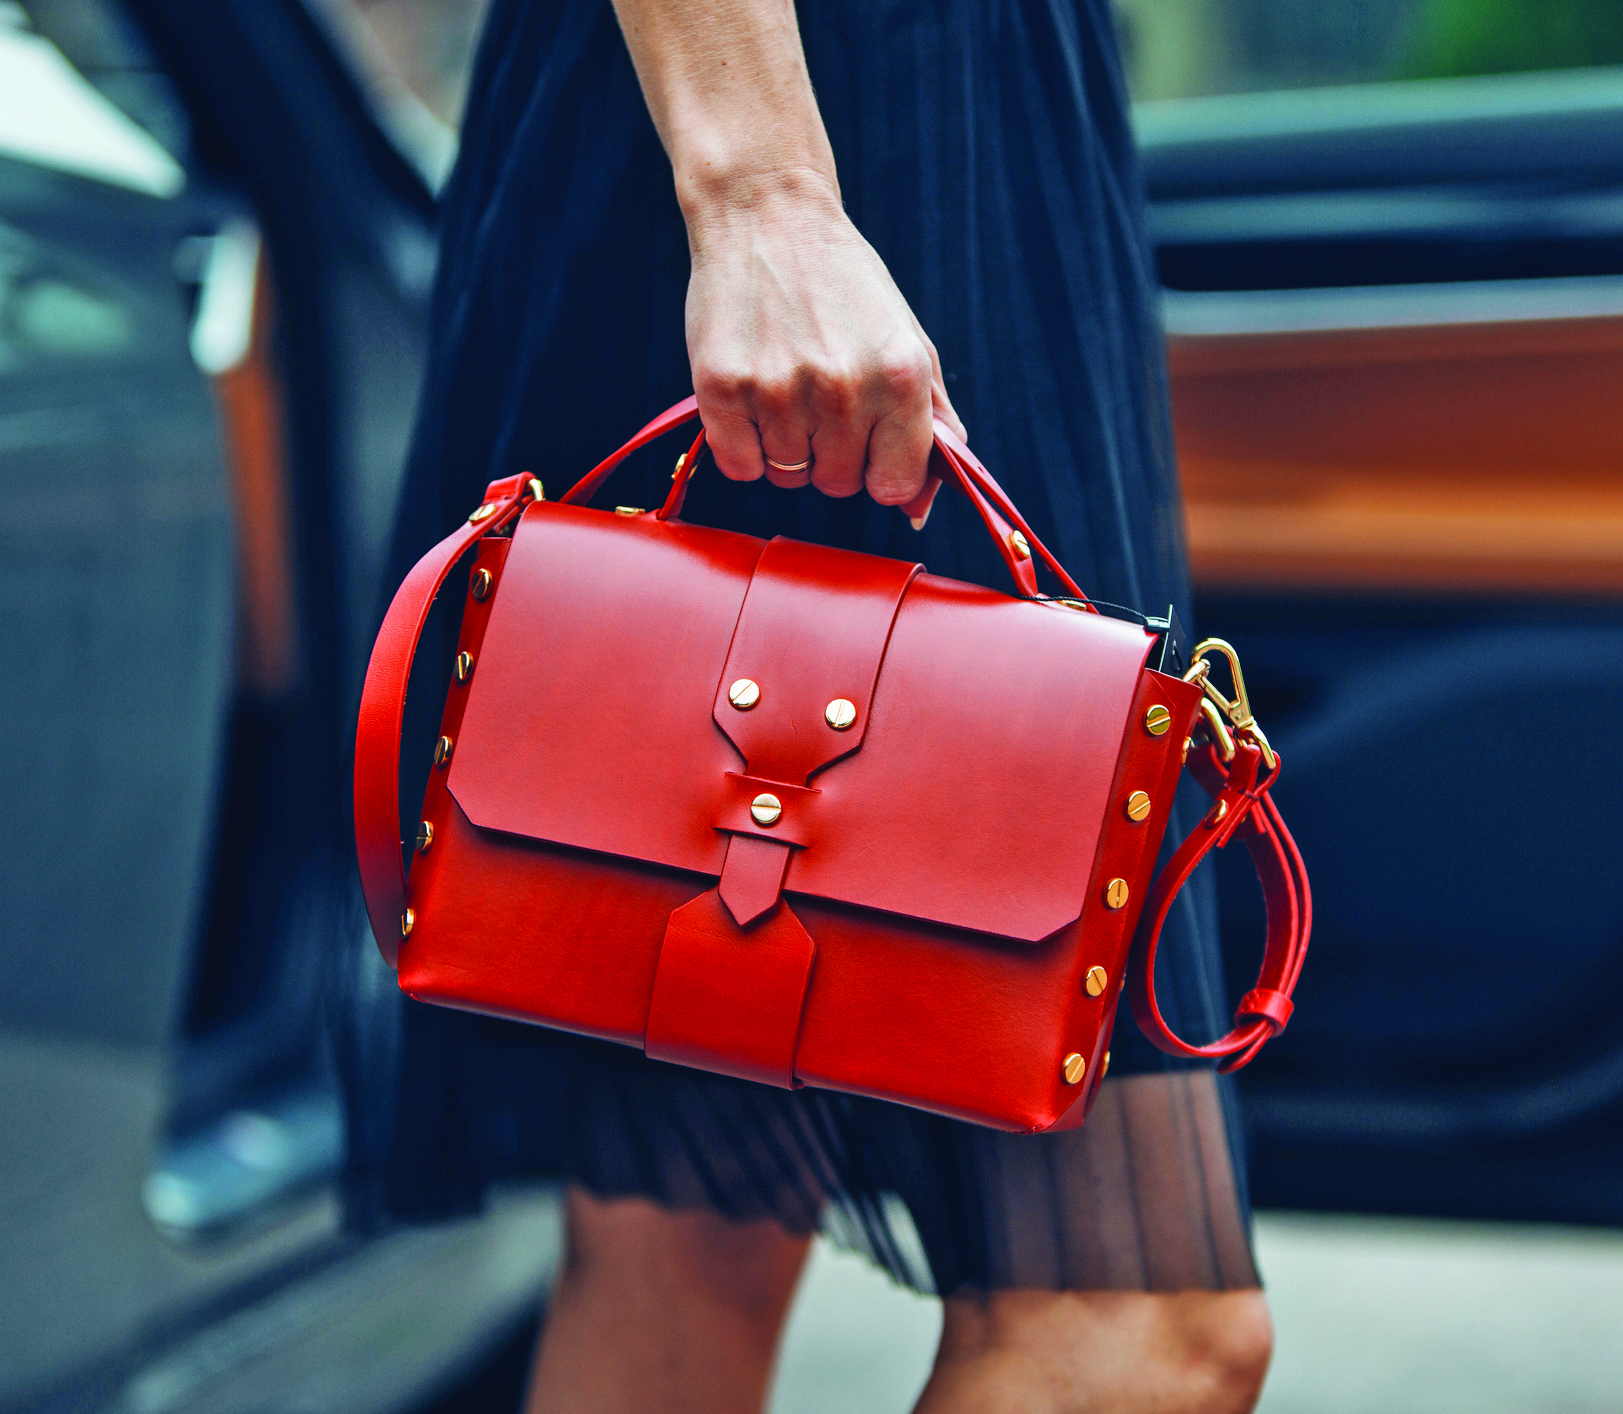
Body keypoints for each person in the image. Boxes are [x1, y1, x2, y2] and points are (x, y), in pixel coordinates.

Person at [373, 0, 1274, 1408]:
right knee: (1133, 1330)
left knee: (688, 1241)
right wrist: (761, 192)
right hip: (837, 120)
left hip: (834, 109)